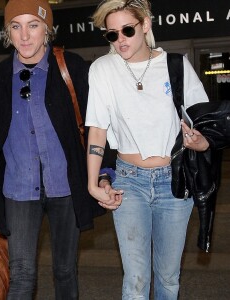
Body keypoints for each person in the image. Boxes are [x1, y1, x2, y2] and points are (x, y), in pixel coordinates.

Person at [0, 0, 105, 299]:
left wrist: (103, 173)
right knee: (21, 275)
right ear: (8, 33)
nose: (25, 35)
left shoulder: (72, 68)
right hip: (18, 190)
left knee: (65, 270)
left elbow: (98, 125)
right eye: (16, 27)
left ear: (47, 28)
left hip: (65, 187)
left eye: (34, 25)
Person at [85, 0, 210, 299]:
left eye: (127, 30)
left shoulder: (176, 65)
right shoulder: (103, 69)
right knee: (136, 280)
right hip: (129, 183)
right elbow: (98, 130)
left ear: (145, 25)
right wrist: (92, 183)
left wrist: (201, 141)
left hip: (175, 182)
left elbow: (203, 126)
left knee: (168, 278)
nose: (120, 40)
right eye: (111, 34)